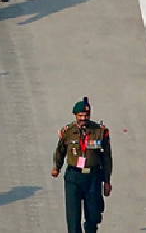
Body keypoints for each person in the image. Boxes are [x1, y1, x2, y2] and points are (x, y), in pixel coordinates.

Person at [52, 98, 112, 233]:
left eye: (86, 115)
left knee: (94, 215)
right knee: (73, 217)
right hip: (74, 177)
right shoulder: (68, 132)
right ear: (75, 115)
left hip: (93, 177)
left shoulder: (99, 132)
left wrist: (107, 181)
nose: (83, 118)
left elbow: (106, 158)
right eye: (81, 116)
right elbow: (60, 151)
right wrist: (57, 167)